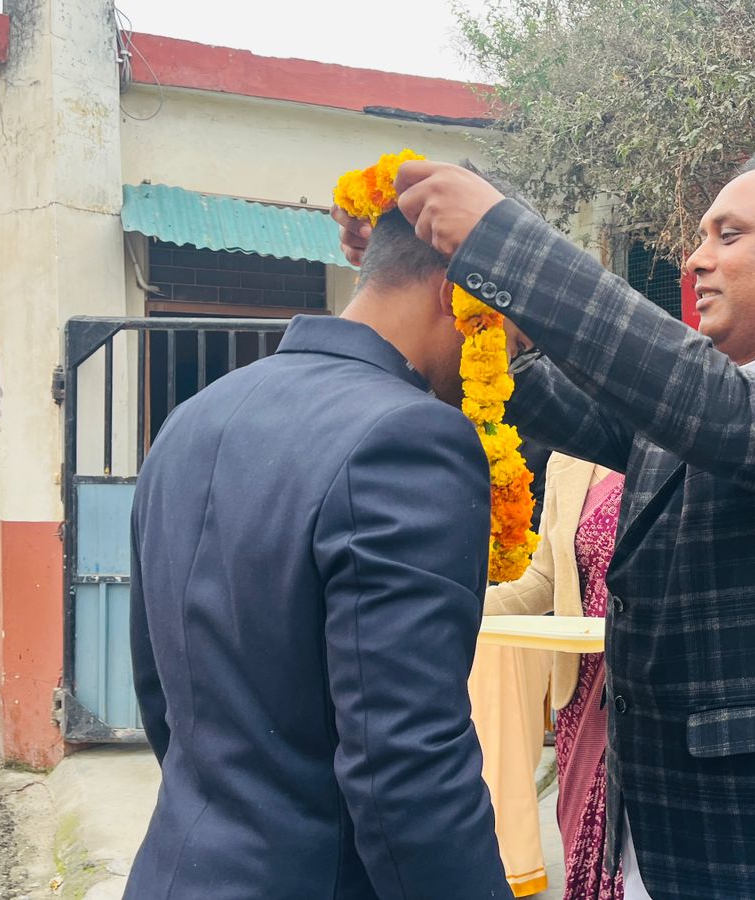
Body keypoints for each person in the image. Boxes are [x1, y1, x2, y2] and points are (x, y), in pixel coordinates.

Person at [351, 151, 755, 899]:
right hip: (655, 851)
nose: (696, 260)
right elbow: (536, 385)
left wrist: (501, 237)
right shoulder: (686, 409)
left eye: (728, 234)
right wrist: (427, 267)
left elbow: (718, 409)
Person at [126, 202, 512, 899]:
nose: (506, 361)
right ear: (459, 293)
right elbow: (408, 769)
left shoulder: (192, 417)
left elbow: (160, 695)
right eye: (508, 331)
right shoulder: (411, 438)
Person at [472, 453, 625, 900]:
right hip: (583, 682)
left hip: (649, 678)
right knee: (582, 838)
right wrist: (458, 603)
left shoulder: (674, 445)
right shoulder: (567, 459)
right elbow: (545, 580)